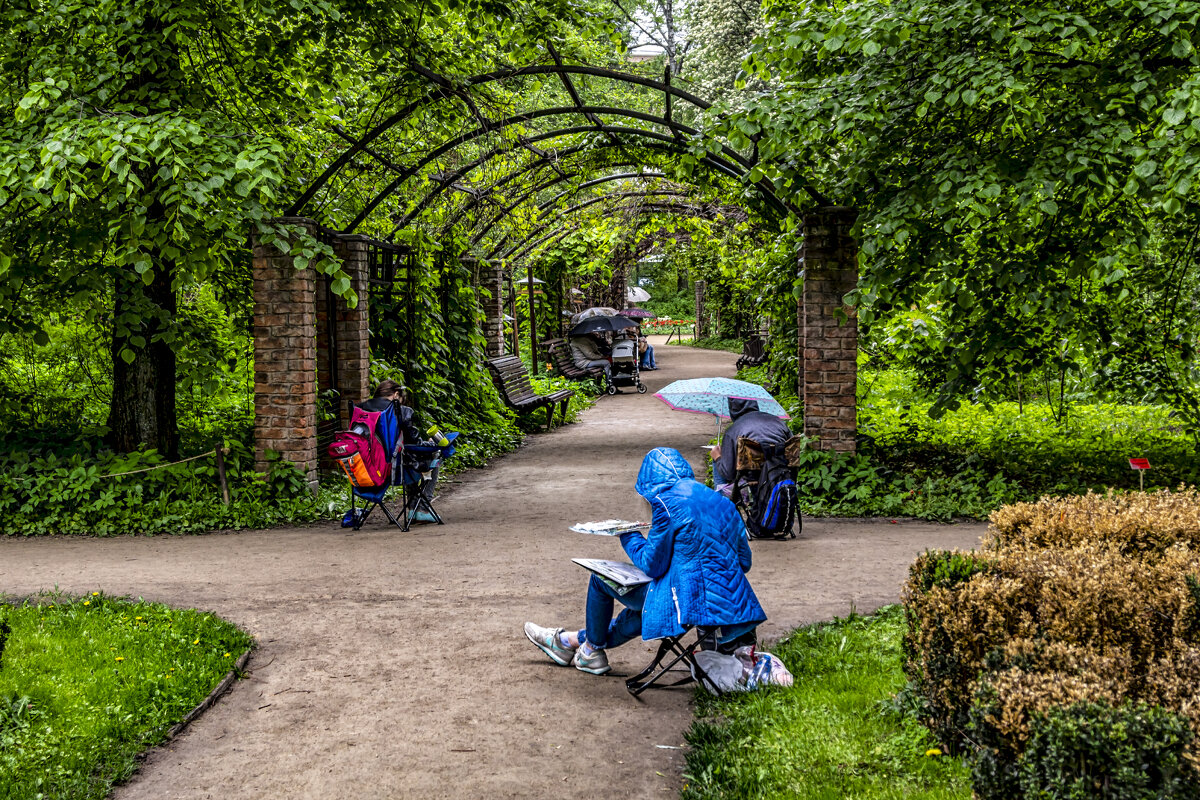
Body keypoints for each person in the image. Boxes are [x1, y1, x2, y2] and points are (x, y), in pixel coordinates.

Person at [523, 447, 766, 675]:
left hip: (687, 601)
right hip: (731, 604)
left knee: (602, 581)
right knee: (645, 609)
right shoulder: (724, 503)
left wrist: (628, 536)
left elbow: (651, 565)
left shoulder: (665, 503)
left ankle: (588, 648)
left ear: (649, 486)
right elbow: (744, 562)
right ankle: (574, 643)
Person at [360, 379, 439, 523]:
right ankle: (422, 508)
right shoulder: (401, 411)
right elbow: (414, 442)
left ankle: (413, 510)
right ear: (396, 394)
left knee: (406, 456)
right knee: (433, 454)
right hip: (396, 472)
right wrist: (431, 444)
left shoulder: (361, 410)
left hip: (367, 471)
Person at [711, 398, 790, 495]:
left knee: (717, 458)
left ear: (732, 408)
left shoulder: (733, 430)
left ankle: (722, 504)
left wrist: (717, 457)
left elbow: (728, 473)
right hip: (783, 476)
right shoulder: (779, 422)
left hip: (754, 481)